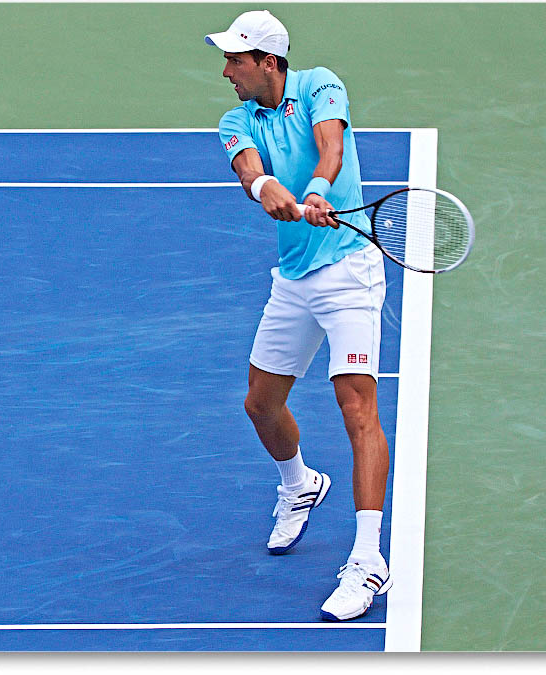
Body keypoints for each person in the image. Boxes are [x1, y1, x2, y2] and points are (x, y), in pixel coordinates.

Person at [205, 9, 392, 621]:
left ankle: (367, 560)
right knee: (260, 404)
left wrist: (315, 190)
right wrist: (268, 191)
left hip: (349, 269)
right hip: (293, 278)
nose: (227, 71)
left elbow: (331, 144)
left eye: (235, 60)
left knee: (356, 405)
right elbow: (249, 171)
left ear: (268, 62)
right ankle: (300, 484)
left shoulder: (319, 84)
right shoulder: (237, 118)